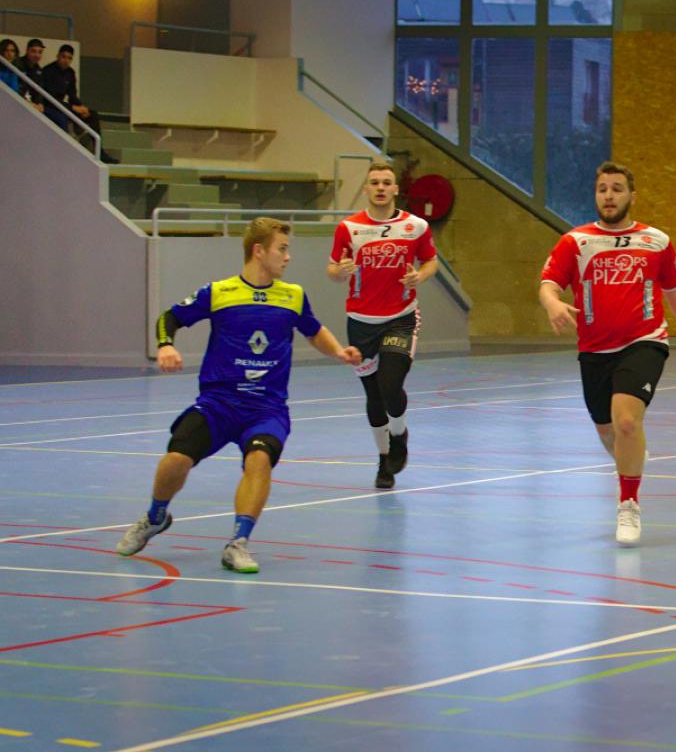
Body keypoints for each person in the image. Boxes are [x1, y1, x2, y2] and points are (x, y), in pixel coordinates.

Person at [115, 218, 361, 572]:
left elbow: (313, 329)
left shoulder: (293, 295)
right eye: (282, 248)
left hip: (266, 409)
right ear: (259, 251)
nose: (288, 257)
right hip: (218, 405)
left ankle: (238, 542)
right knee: (175, 459)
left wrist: (338, 351)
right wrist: (166, 345)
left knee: (258, 461)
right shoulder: (219, 292)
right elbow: (169, 317)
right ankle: (155, 516)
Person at [539, 161, 676, 545]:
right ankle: (630, 459)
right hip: (595, 349)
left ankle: (629, 505)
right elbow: (548, 283)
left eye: (617, 189)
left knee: (627, 421)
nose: (609, 196)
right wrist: (552, 303)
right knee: (608, 428)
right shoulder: (576, 242)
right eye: (603, 189)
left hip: (644, 341)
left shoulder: (656, 241)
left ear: (632, 195)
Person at [328, 162, 439, 489]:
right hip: (361, 323)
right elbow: (332, 269)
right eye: (374, 182)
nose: (380, 187)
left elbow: (430, 259)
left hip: (400, 317)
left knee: (391, 383)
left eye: (386, 182)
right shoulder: (349, 228)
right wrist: (342, 271)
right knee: (373, 395)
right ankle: (383, 460)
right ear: (366, 189)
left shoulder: (415, 226)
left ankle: (399, 434)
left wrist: (421, 275)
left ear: (395, 189)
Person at [13, 39, 44, 108]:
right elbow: (16, 88)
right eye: (33, 51)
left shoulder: (38, 70)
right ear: (27, 51)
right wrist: (29, 103)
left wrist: (39, 103)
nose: (37, 55)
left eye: (40, 52)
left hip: (29, 103)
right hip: (15, 101)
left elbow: (39, 90)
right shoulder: (17, 64)